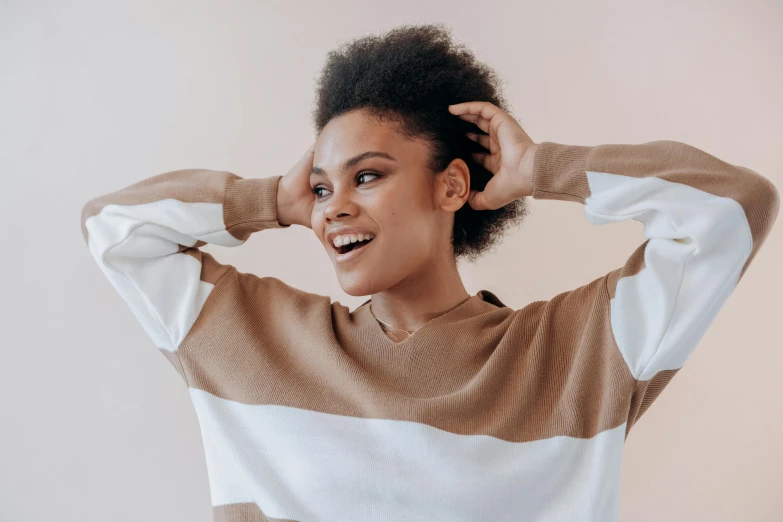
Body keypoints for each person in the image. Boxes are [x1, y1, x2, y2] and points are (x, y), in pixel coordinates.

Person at [80, 23, 779, 522]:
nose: (334, 208)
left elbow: (733, 207)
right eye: (322, 187)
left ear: (450, 188)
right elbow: (114, 231)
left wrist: (541, 169)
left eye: (368, 176)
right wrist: (269, 200)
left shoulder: (578, 354)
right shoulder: (245, 337)